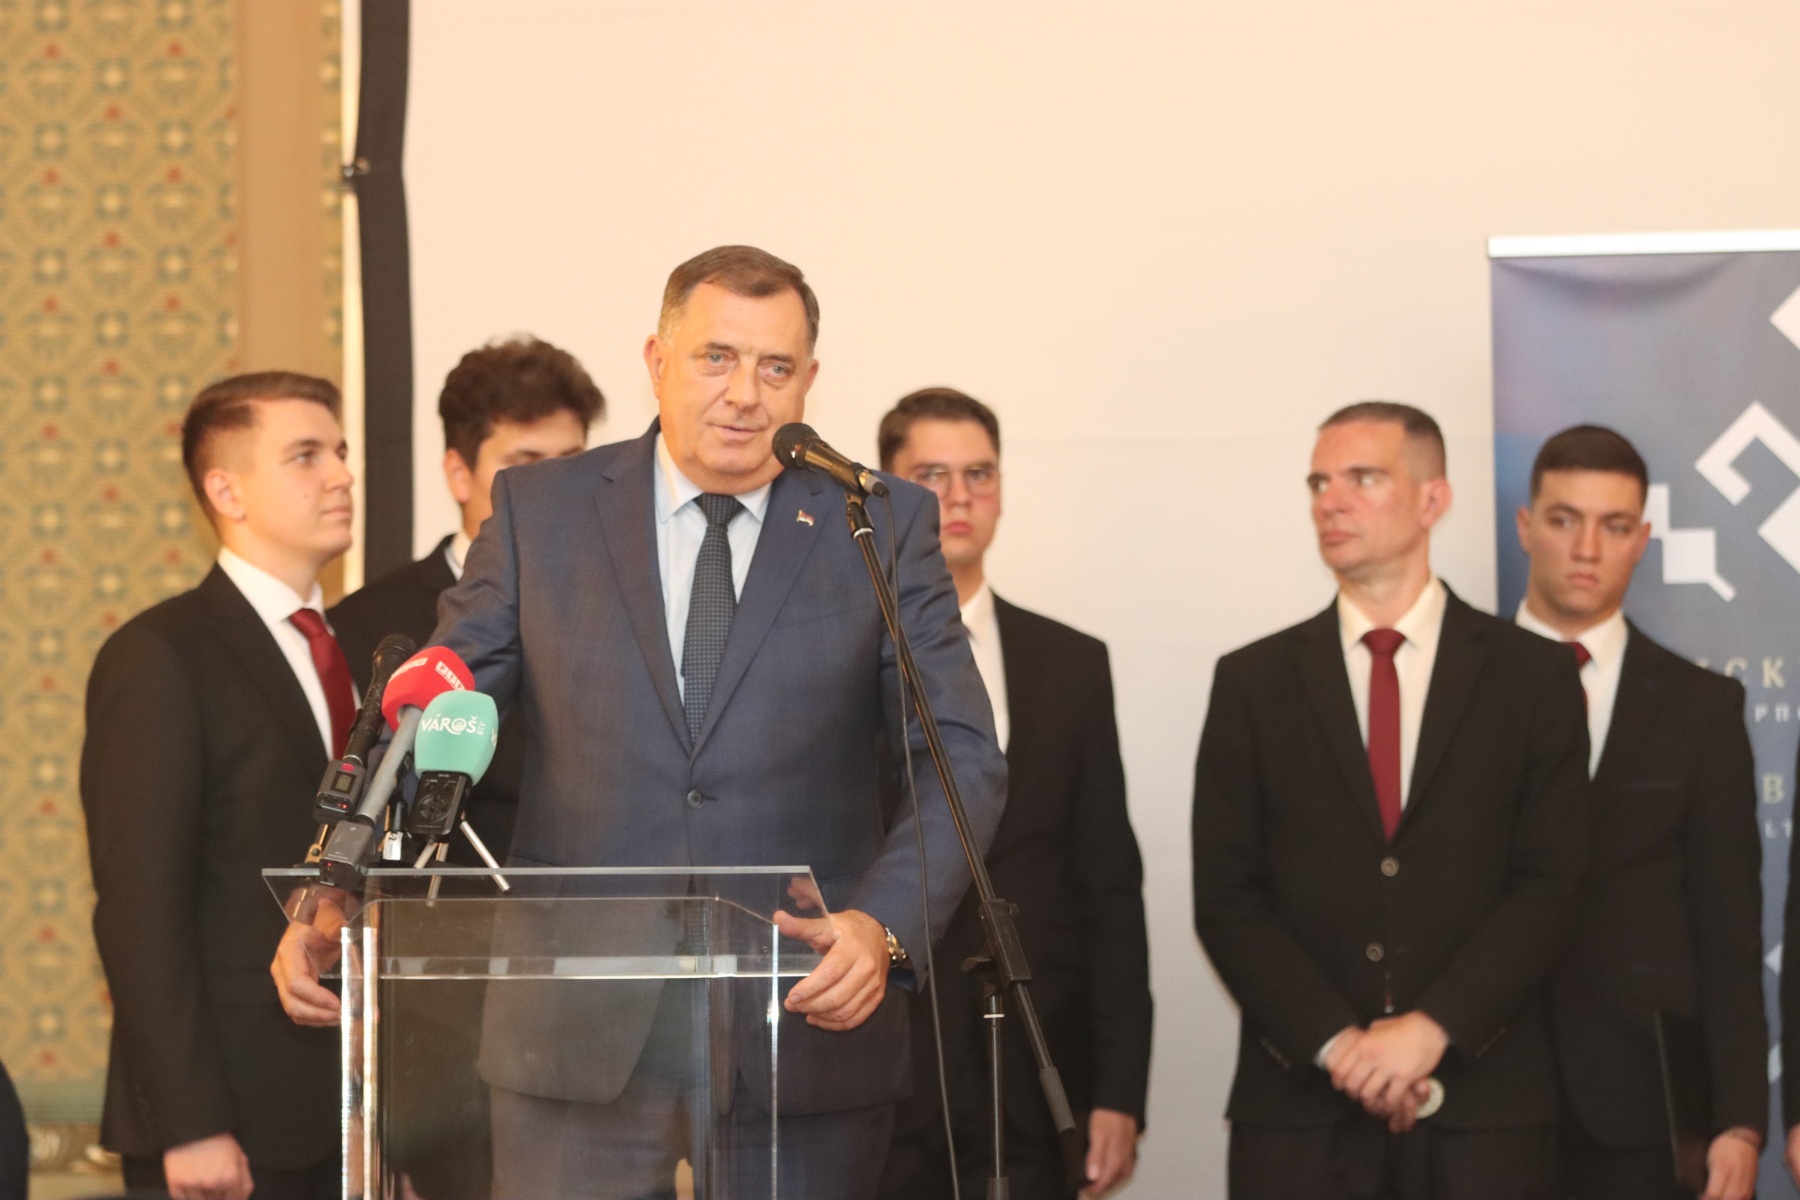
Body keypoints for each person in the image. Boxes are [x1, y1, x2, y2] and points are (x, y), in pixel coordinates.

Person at [272, 245, 1007, 1199]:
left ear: (809, 381)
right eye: (716, 357)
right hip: (572, 1034)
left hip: (802, 1015)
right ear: (657, 361)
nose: (744, 393)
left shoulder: (877, 521)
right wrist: (337, 882)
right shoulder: (543, 512)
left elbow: (959, 757)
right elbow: (437, 710)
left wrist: (884, 926)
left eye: (775, 367)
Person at [1191, 401, 1590, 1200]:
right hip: (1301, 1114)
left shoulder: (1533, 676)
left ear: (1433, 499)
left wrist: (1431, 1029)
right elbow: (1227, 898)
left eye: (1363, 479)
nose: (1330, 503)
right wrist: (1340, 1046)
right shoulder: (1253, 682)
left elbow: (1553, 883)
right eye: (1319, 483)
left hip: (1487, 1113)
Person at [82, 372, 356, 1200]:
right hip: (228, 1121)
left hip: (352, 1111)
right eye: (305, 456)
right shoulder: (161, 655)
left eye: (341, 452)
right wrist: (190, 1122)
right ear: (226, 490)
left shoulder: (364, 649)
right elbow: (138, 909)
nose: (341, 475)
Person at [873, 388, 1151, 1200]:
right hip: (883, 1068)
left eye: (980, 474)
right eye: (932, 475)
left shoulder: (1071, 664)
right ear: (885, 495)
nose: (959, 497)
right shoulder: (834, 653)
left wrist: (1120, 1089)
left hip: (1035, 1068)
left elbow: (1109, 887)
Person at [1512, 424, 1762, 1200]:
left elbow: (1727, 929)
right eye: (1564, 520)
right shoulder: (1453, 689)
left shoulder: (1701, 709)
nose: (1587, 549)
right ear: (1525, 527)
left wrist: (1740, 1120)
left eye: (1614, 526)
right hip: (1477, 1095)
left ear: (1642, 540)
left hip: (1644, 1107)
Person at [329, 334, 604, 862]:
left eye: (571, 464)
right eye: (527, 464)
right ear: (459, 474)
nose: (555, 491)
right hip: (444, 902)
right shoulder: (369, 624)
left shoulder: (615, 605)